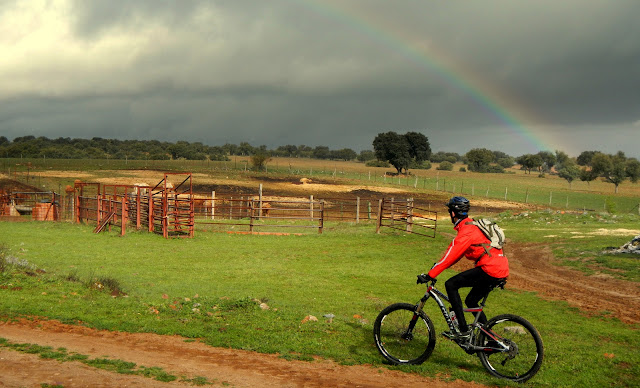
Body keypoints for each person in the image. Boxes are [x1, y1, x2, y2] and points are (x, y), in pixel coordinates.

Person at [416, 196, 509, 341]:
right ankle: (491, 338)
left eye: (449, 211)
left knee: (451, 284)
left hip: (489, 269)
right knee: (471, 301)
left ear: (453, 213)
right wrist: (436, 269)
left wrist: (430, 274)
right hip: (499, 268)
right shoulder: (472, 226)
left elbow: (451, 255)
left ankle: (463, 331)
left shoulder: (467, 230)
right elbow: (456, 255)